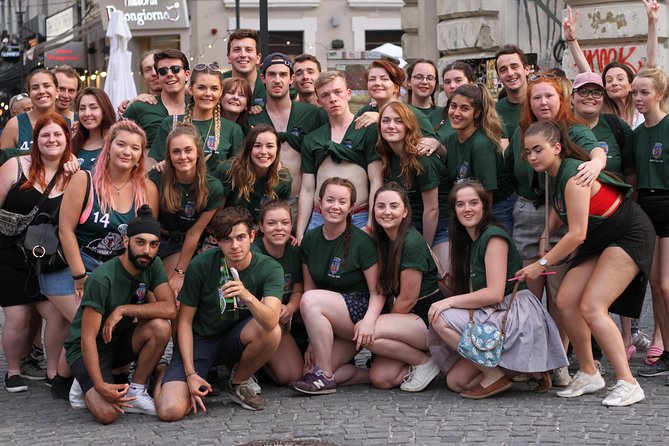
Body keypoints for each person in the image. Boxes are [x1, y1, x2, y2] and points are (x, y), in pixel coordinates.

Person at [517, 119, 654, 406]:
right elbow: (562, 207)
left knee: (592, 306)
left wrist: (540, 264)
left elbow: (576, 234)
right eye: (528, 152)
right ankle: (590, 372)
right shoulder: (554, 174)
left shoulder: (571, 174)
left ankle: (628, 382)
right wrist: (546, 231)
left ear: (556, 148)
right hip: (600, 239)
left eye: (538, 150)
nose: (532, 157)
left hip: (627, 234)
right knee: (566, 300)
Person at [428, 180, 567, 399]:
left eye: (473, 203)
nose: (467, 209)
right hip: (493, 312)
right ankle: (527, 369)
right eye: (461, 204)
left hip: (512, 314)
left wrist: (448, 302)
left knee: (439, 317)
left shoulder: (493, 237)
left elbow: (494, 293)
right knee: (456, 382)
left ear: (484, 206)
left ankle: (495, 375)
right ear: (454, 210)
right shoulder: (468, 241)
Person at [155, 207, 284, 418]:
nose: (235, 246)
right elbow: (184, 322)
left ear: (252, 236)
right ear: (216, 240)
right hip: (200, 340)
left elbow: (270, 322)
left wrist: (247, 296)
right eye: (227, 239)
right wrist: (190, 373)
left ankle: (239, 381)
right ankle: (162, 371)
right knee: (170, 411)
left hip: (235, 338)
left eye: (241, 237)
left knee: (273, 332)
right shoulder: (201, 264)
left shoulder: (269, 268)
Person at [63, 205, 176, 423]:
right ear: (126, 242)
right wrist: (98, 385)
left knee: (161, 326)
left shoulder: (153, 265)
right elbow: (86, 338)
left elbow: (169, 308)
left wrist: (123, 309)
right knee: (108, 415)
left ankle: (137, 391)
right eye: (140, 242)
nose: (147, 250)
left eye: (154, 244)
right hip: (89, 348)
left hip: (118, 340)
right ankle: (84, 381)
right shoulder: (101, 279)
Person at [0, 114, 75, 392]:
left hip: (47, 261)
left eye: (58, 135)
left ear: (67, 138)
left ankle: (53, 370)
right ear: (36, 140)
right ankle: (13, 370)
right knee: (18, 318)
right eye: (45, 135)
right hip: (9, 257)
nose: (52, 140)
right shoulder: (15, 166)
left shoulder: (73, 175)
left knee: (55, 316)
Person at [292, 178, 384, 395]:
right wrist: (313, 342)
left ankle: (323, 375)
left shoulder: (362, 242)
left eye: (342, 202)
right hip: (327, 316)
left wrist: (369, 322)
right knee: (306, 372)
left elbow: (377, 291)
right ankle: (359, 376)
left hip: (358, 314)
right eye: (330, 200)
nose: (335, 206)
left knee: (311, 301)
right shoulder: (310, 240)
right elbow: (309, 287)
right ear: (319, 202)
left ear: (351, 208)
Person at [366, 183, 442, 391]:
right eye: (380, 206)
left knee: (366, 331)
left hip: (425, 319)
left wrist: (386, 326)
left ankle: (425, 362)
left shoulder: (411, 243)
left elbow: (408, 300)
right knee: (381, 378)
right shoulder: (383, 238)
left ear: (405, 211)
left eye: (393, 206)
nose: (387, 212)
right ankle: (424, 359)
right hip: (406, 317)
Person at [297, 70, 382, 239]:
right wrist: (300, 232)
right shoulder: (312, 139)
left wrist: (371, 223)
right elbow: (307, 189)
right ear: (319, 101)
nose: (333, 99)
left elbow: (376, 180)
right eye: (326, 95)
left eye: (338, 92)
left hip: (359, 216)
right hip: (320, 217)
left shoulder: (367, 130)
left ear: (348, 94)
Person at [247, 53, 325, 219]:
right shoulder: (252, 116)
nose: (277, 80)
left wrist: (374, 114)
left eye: (283, 75)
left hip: (300, 201)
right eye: (272, 74)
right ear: (263, 78)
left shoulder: (311, 114)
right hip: (262, 201)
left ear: (291, 79)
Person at [149, 123, 224, 296]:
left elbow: (194, 233)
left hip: (180, 244)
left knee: (170, 292)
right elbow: (148, 223)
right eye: (176, 151)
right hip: (155, 239)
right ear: (168, 155)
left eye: (188, 150)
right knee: (148, 291)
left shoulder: (212, 187)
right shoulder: (156, 177)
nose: (183, 157)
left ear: (198, 152)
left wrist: (179, 273)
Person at [376, 101, 450, 269]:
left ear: (409, 125)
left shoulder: (422, 158)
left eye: (398, 121)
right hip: (406, 224)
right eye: (386, 121)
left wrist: (424, 248)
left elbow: (432, 210)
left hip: (438, 225)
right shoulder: (387, 155)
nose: (391, 126)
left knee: (439, 276)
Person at [563, 0, 659, 129]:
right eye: (608, 80)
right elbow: (587, 73)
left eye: (620, 78)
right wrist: (571, 39)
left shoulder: (640, 106)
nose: (614, 83)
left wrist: (652, 22)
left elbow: (651, 66)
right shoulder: (603, 111)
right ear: (604, 88)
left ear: (631, 85)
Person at [632, 68, 669, 379]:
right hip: (646, 205)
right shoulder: (637, 134)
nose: (637, 98)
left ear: (659, 94)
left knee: (667, 286)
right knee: (656, 286)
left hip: (668, 204)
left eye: (644, 92)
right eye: (634, 93)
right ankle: (667, 352)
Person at [444, 83, 516, 231]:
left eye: (464, 108)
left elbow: (487, 196)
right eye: (453, 106)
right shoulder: (451, 139)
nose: (456, 112)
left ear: (476, 113)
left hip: (496, 210)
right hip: (469, 207)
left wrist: (480, 230)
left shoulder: (481, 145)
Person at [149, 63, 244, 172]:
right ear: (190, 89)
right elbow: (154, 164)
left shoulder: (232, 129)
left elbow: (238, 172)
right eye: (201, 88)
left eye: (214, 88)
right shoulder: (171, 123)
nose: (208, 93)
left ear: (221, 92)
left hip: (216, 188)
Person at [251, 199, 306, 384]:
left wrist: (290, 308)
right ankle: (243, 364)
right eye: (271, 223)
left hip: (281, 320)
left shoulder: (294, 251)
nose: (279, 228)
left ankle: (260, 365)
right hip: (256, 320)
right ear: (261, 226)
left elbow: (298, 289)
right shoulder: (253, 252)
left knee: (292, 375)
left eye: (285, 223)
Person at [355, 59, 443, 158]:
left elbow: (436, 152)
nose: (377, 83)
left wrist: (380, 118)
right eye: (371, 79)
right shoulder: (367, 110)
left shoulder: (413, 114)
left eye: (384, 79)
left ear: (397, 88)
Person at [216, 124, 291, 224]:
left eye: (270, 146)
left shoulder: (283, 178)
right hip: (227, 228)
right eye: (257, 146)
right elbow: (216, 215)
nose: (264, 151)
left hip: (261, 231)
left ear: (277, 149)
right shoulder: (228, 171)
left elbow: (278, 217)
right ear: (248, 149)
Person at [124, 49, 190, 148]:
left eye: (175, 69)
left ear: (187, 74)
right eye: (163, 71)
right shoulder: (138, 106)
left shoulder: (197, 103)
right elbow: (117, 140)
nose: (169, 74)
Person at [1, 69, 61, 151]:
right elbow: (4, 161)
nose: (41, 91)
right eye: (35, 88)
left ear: (57, 91)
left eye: (47, 86)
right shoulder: (15, 125)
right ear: (29, 94)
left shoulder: (68, 124)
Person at [429, 60, 476, 144]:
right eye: (447, 82)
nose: (452, 86)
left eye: (458, 80)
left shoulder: (482, 115)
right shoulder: (434, 116)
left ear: (471, 83)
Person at [72, 87, 117, 171]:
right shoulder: (73, 143)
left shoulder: (116, 142)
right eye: (82, 109)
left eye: (93, 107)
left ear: (104, 110)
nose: (87, 113)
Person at [494, 45, 531, 138]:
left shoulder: (542, 103)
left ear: (526, 70)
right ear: (498, 78)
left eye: (514, 67)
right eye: (503, 70)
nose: (510, 73)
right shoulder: (494, 112)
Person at [223, 29, 266, 106]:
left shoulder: (269, 81)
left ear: (258, 58)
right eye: (237, 50)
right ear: (228, 57)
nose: (243, 55)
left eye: (248, 50)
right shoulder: (218, 83)